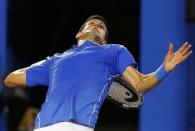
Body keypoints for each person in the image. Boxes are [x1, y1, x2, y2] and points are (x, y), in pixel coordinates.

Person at [4, 15, 192, 131]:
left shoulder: (114, 51)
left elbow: (140, 84)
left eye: (101, 27)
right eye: (91, 23)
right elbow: (11, 79)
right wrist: (46, 62)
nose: (96, 25)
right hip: (43, 128)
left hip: (78, 128)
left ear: (104, 40)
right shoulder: (55, 61)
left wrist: (165, 69)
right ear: (79, 34)